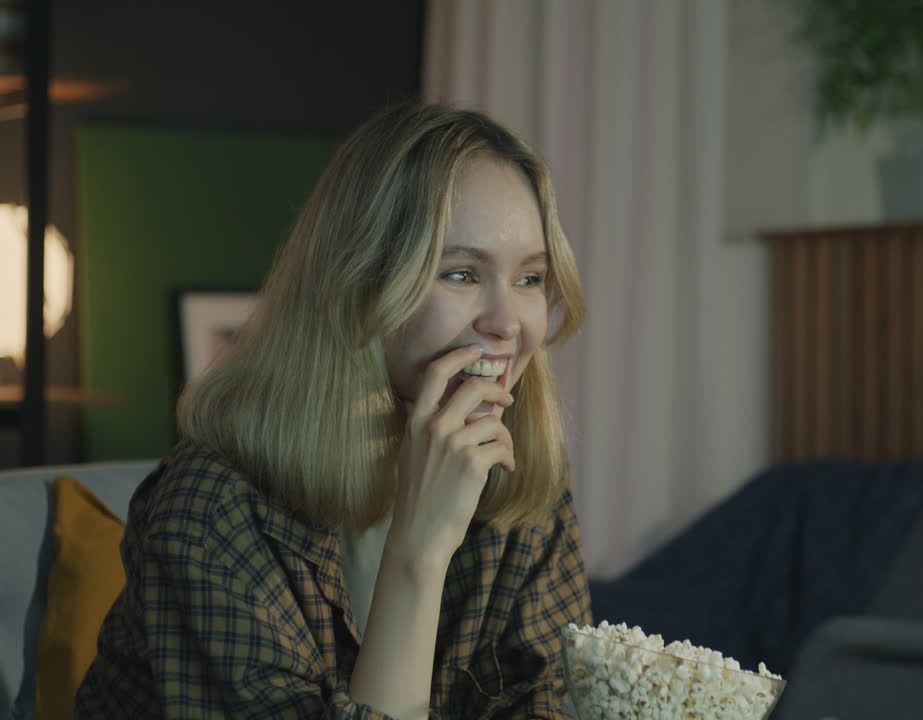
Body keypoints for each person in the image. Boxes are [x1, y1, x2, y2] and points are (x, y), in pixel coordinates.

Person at [75, 102, 592, 719]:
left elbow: (546, 704)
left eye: (530, 279)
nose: (507, 322)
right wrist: (420, 552)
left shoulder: (518, 473)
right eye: (460, 273)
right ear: (359, 281)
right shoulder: (211, 507)